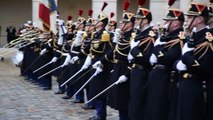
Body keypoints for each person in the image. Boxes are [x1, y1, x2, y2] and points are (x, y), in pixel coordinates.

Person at [175, 2, 212, 120]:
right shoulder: (193, 35)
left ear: (200, 19)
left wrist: (185, 56)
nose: (186, 20)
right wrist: (178, 64)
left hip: (196, 85)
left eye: (191, 17)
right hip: (185, 83)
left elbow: (202, 67)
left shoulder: (208, 38)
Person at [147, 8, 185, 120]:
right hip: (158, 77)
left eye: (168, 21)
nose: (165, 23)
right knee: (153, 109)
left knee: (160, 111)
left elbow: (167, 58)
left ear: (176, 22)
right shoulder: (168, 37)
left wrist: (157, 48)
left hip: (165, 79)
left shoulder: (178, 38)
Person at [127, 1, 155, 119]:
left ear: (146, 20)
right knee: (133, 101)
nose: (136, 21)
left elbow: (146, 59)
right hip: (135, 71)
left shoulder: (150, 36)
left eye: (139, 19)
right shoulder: (139, 34)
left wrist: (133, 50)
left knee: (139, 102)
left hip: (143, 72)